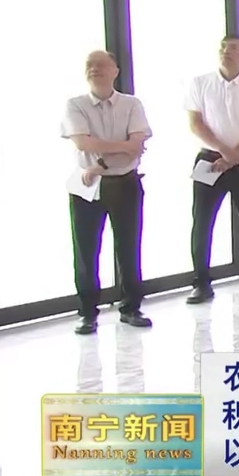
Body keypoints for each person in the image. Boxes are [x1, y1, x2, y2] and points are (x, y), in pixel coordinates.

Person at [60, 50, 153, 334]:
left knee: (128, 247)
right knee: (86, 251)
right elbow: (83, 144)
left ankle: (131, 307)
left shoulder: (131, 104)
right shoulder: (75, 105)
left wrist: (100, 162)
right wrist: (122, 147)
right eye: (90, 65)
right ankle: (87, 313)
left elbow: (136, 146)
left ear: (115, 71)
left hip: (124, 182)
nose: (94, 69)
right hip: (87, 186)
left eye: (101, 65)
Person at [185, 34, 239, 303]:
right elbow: (195, 124)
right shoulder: (201, 83)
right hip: (210, 160)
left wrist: (234, 155)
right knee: (202, 222)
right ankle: (201, 283)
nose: (226, 52)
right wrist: (224, 151)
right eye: (222, 48)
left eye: (233, 48)